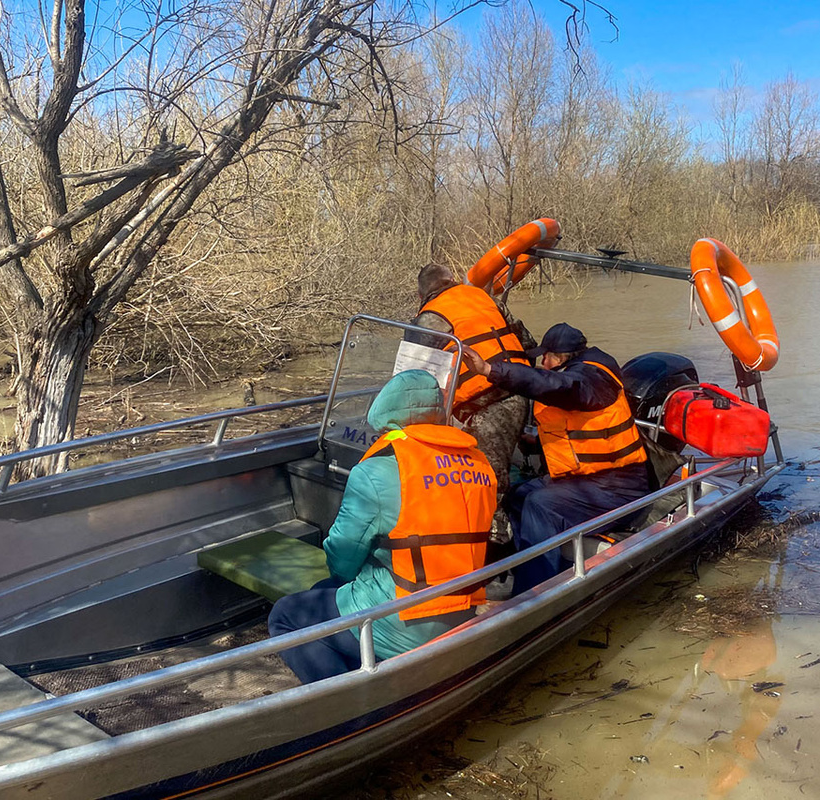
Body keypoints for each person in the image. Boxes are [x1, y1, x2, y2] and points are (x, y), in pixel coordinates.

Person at [267, 370, 497, 683]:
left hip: (403, 620)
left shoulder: (375, 472)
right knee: (325, 592)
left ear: (384, 414)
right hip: (462, 608)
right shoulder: (480, 464)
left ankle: (347, 706)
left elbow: (342, 558)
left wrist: (348, 578)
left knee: (286, 614)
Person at [462, 323, 651, 593]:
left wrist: (490, 371)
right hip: (588, 479)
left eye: (546, 356)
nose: (542, 362)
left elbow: (554, 386)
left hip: (619, 487)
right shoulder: (579, 376)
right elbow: (581, 430)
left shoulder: (589, 379)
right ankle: (513, 571)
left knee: (542, 505)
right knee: (517, 496)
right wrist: (537, 442)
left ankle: (534, 592)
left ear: (561, 358)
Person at [410, 263, 532, 549]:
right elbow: (525, 341)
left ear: (421, 294)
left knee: (488, 484)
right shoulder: (484, 298)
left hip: (487, 406)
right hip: (520, 390)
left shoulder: (430, 316)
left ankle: (497, 557)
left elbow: (410, 375)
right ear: (451, 280)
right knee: (493, 475)